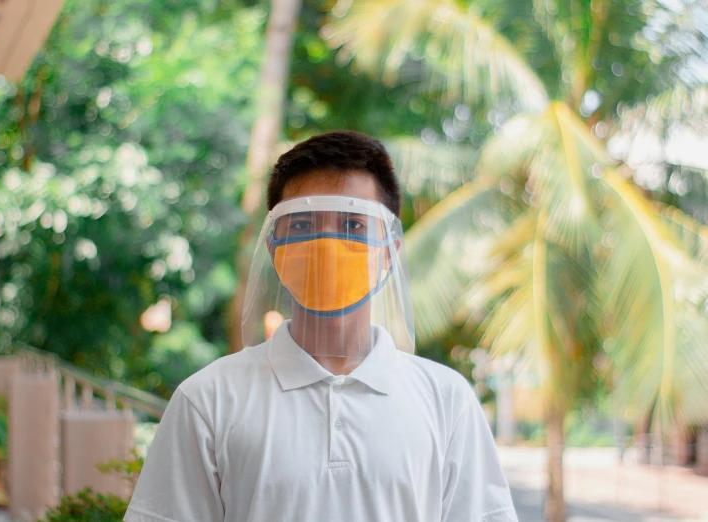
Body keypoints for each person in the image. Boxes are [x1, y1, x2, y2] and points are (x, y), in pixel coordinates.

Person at [124, 131, 518, 522]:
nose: (327, 245)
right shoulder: (208, 400)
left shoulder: (447, 401)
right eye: (301, 226)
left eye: (353, 225)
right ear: (274, 248)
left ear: (389, 252)